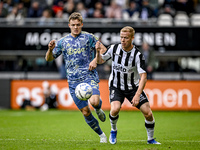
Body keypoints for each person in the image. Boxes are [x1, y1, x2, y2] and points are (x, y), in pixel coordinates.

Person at [45, 12, 107, 143]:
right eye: (73, 25)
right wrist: (50, 50)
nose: (76, 27)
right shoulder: (62, 42)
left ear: (82, 24)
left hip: (88, 76)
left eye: (78, 25)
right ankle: (102, 135)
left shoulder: (89, 37)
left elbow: (104, 50)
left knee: (95, 102)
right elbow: (49, 59)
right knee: (85, 112)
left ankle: (98, 108)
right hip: (73, 82)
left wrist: (95, 59)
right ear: (69, 25)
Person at [95, 26, 161, 145]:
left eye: (126, 38)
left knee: (148, 113)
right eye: (121, 37)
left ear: (132, 38)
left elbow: (144, 77)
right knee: (114, 109)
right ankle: (113, 131)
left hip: (133, 87)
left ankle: (150, 139)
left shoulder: (137, 55)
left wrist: (137, 95)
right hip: (116, 86)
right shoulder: (114, 48)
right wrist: (97, 52)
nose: (123, 40)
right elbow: (100, 61)